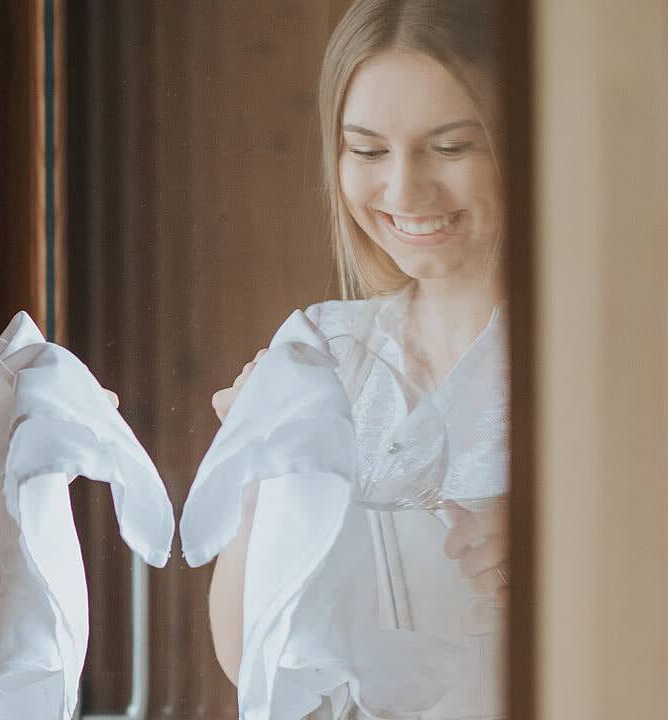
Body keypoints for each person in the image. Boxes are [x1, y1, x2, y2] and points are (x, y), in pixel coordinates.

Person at [207, 0, 509, 717]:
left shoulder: (605, 361)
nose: (403, 191)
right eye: (368, 150)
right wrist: (257, 479)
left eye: (452, 146)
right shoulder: (322, 348)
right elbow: (248, 654)